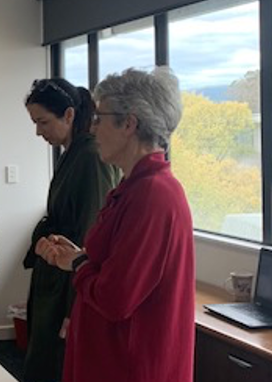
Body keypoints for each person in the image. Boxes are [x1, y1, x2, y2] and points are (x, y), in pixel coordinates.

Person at [37, 67, 194, 382]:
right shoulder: (132, 186)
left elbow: (116, 297)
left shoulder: (153, 194)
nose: (93, 130)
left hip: (129, 364)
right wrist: (81, 256)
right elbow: (118, 265)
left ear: (129, 124)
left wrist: (79, 263)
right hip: (110, 356)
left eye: (99, 119)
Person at [22, 79, 119, 382]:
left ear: (69, 115)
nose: (38, 131)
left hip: (72, 282)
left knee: (55, 366)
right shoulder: (72, 152)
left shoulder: (90, 158)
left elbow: (92, 239)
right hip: (56, 274)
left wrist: (73, 308)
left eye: (43, 122)